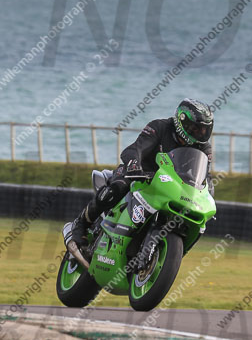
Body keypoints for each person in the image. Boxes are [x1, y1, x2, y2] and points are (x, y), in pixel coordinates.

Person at [64, 98, 214, 256]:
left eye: (205, 130)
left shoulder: (203, 148)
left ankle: (168, 253)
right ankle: (80, 224)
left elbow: (203, 175)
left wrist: (208, 191)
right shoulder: (160, 127)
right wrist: (134, 164)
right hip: (140, 173)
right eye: (196, 129)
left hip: (171, 188)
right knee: (117, 187)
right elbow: (135, 149)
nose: (200, 133)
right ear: (181, 121)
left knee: (198, 222)